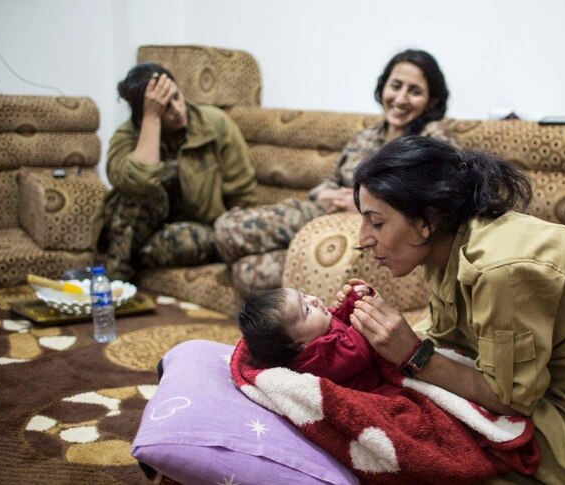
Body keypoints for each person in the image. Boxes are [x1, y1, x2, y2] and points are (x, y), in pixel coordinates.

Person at [348, 135, 565, 484]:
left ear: (426, 219)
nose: (362, 238)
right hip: (541, 393)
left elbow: (511, 399)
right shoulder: (443, 248)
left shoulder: (502, 268)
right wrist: (362, 336)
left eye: (376, 222)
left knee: (424, 458)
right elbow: (449, 336)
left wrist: (414, 354)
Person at [213, 48, 458, 293]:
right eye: (396, 86)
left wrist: (365, 207)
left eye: (414, 91)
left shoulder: (431, 141)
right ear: (383, 87)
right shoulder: (368, 135)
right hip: (320, 212)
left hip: (354, 229)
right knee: (228, 228)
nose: (401, 98)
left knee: (248, 272)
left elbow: (435, 201)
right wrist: (324, 194)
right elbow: (331, 179)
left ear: (432, 101)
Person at [93, 62, 258, 281]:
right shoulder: (127, 136)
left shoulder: (215, 124)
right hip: (143, 230)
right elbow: (140, 181)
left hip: (199, 229)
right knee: (136, 195)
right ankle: (115, 285)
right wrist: (152, 119)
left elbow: (243, 193)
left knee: (180, 241)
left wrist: (242, 238)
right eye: (165, 107)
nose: (178, 110)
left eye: (177, 97)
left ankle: (122, 264)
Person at [237, 281, 400, 395]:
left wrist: (354, 300)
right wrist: (364, 316)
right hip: (372, 390)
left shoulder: (319, 327)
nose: (313, 300)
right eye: (306, 310)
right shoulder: (318, 356)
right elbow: (357, 350)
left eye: (304, 295)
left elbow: (340, 319)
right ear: (299, 345)